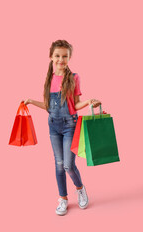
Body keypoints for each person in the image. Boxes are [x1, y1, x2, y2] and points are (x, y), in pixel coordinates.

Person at [23, 40, 101, 216]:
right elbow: (49, 106)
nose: (61, 59)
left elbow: (76, 103)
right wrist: (31, 102)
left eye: (65, 56)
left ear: (69, 57)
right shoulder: (49, 79)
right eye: (57, 56)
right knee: (58, 164)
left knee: (68, 165)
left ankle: (80, 188)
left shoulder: (74, 78)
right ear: (51, 57)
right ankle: (63, 198)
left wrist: (89, 101)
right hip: (53, 126)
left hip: (69, 125)